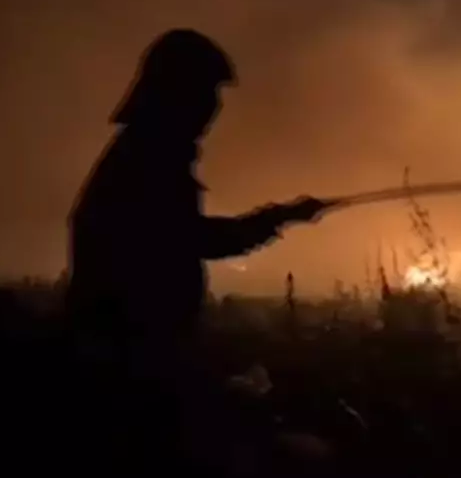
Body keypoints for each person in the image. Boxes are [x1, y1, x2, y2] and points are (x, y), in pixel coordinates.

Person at [65, 28, 328, 471]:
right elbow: (194, 238)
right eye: (206, 93)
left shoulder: (143, 153)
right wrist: (277, 218)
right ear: (177, 94)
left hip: (134, 348)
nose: (213, 108)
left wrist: (278, 216)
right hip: (133, 355)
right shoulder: (148, 160)